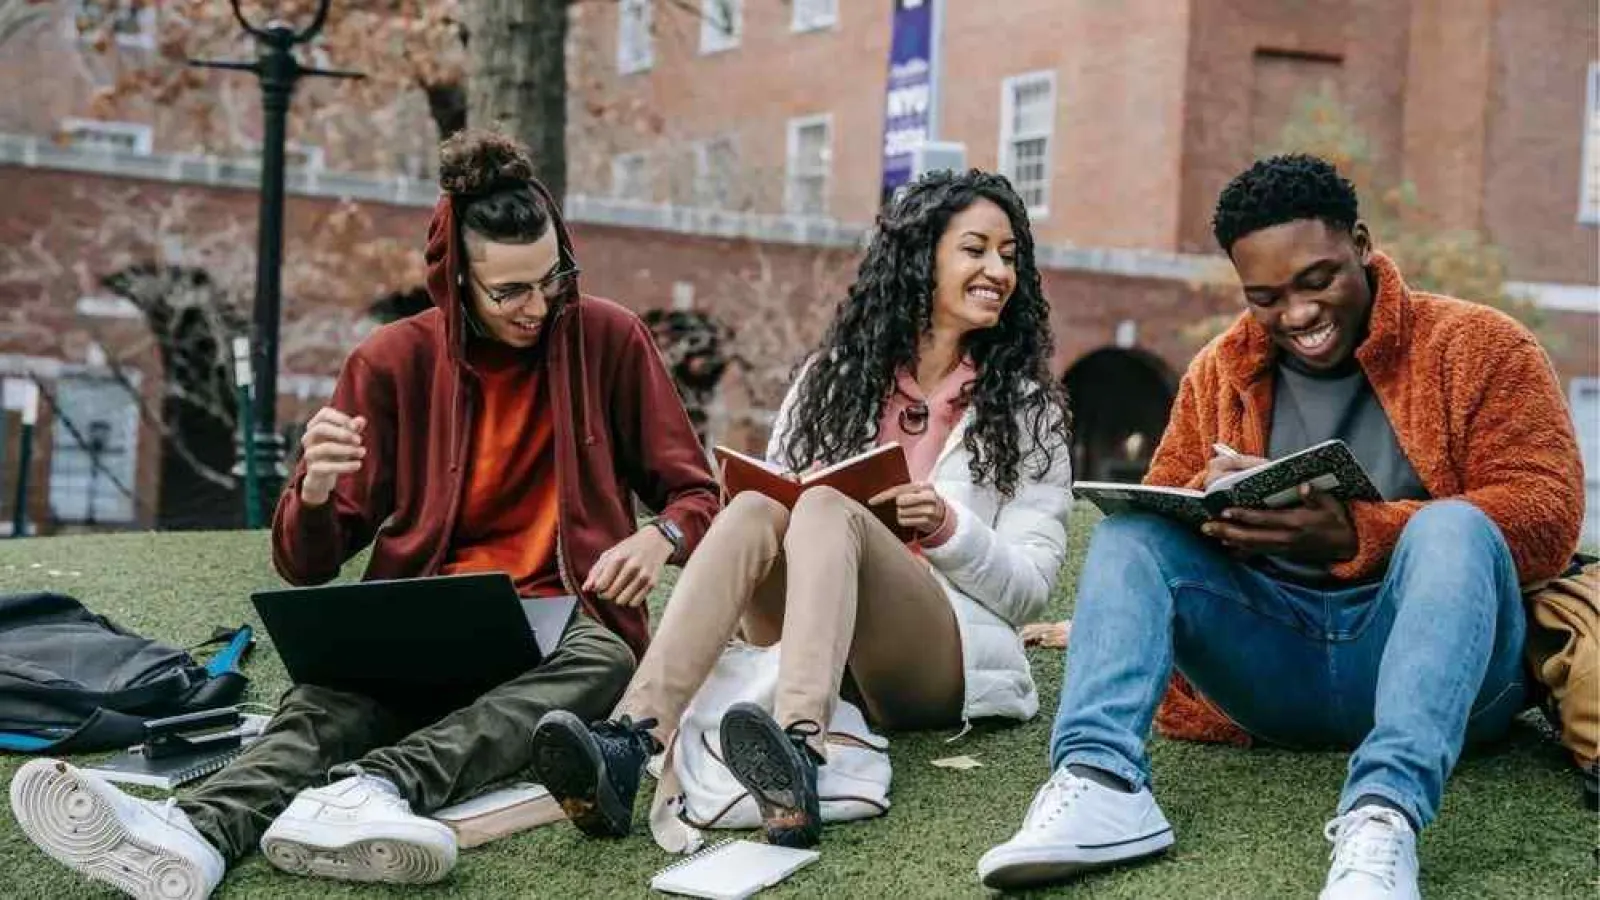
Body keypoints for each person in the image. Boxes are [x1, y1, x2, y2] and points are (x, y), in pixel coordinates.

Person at [8, 129, 720, 900]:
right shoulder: (389, 362)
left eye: (553, 278)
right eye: (510, 291)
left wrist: (661, 534)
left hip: (562, 612)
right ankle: (195, 833)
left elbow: (696, 493)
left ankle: (374, 791)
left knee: (608, 660)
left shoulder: (609, 338)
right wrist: (313, 491)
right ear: (455, 283)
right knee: (324, 702)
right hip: (429, 607)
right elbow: (306, 563)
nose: (539, 306)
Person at [979, 154, 1585, 898]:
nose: (1296, 315)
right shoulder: (1219, 368)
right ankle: (1100, 780)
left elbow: (1546, 516)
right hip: (1274, 669)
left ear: (1361, 243)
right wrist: (1213, 501)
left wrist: (1358, 535)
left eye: (1317, 280)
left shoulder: (1482, 347)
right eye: (1265, 296)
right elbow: (1168, 507)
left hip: (1446, 674)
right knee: (1130, 535)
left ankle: (1383, 815)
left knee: (1454, 530)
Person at [525, 169, 1075, 849]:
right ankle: (629, 742)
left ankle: (798, 749)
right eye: (976, 249)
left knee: (826, 510)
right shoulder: (832, 379)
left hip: (933, 659)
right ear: (920, 257)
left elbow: (1027, 589)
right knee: (760, 505)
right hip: (809, 632)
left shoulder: (1024, 409)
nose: (998, 269)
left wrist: (945, 527)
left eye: (1010, 255)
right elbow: (780, 509)